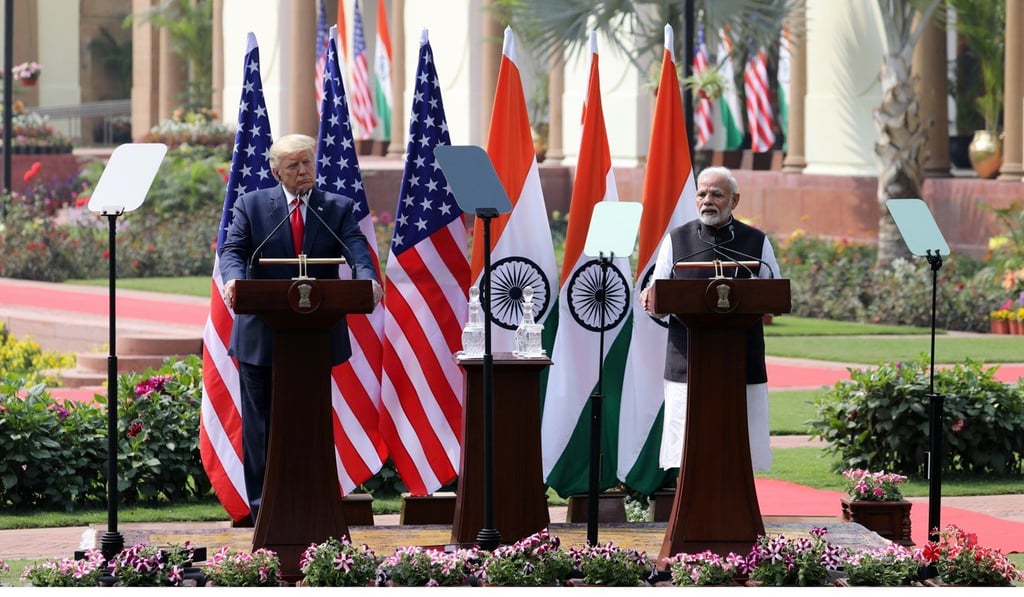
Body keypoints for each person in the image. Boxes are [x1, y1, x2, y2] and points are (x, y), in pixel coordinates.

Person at [219, 133, 383, 521]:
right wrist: (233, 280)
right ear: (276, 170)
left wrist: (367, 277)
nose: (303, 171)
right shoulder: (252, 205)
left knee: (310, 423)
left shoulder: (336, 207)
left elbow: (355, 246)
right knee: (261, 427)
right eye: (293, 165)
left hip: (314, 337)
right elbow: (234, 251)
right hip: (261, 335)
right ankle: (264, 512)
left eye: (308, 162)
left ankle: (314, 504)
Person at [638, 166, 781, 472]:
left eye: (717, 194)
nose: (708, 200)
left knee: (738, 445)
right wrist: (651, 299)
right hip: (688, 360)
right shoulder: (676, 241)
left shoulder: (756, 242)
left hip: (741, 359)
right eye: (702, 193)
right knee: (689, 447)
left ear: (735, 200)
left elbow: (774, 294)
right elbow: (657, 297)